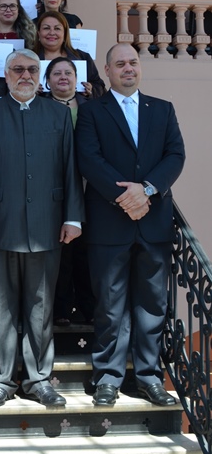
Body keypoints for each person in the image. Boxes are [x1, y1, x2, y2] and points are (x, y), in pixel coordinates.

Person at [0, 49, 84, 407]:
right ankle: (1, 380)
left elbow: (70, 168)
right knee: (0, 307)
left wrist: (73, 217)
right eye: (18, 69)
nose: (26, 75)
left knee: (41, 307)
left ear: (40, 75)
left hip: (48, 224)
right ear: (5, 74)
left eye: (32, 69)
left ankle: (39, 379)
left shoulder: (59, 114)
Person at [75, 43, 185, 407]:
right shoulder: (92, 112)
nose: (127, 68)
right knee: (109, 304)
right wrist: (127, 197)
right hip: (110, 221)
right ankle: (108, 376)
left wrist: (148, 191)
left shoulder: (163, 109)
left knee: (152, 305)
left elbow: (175, 155)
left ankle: (149, 376)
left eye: (133, 62)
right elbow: (89, 159)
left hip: (153, 222)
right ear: (106, 71)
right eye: (119, 64)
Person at [42, 57, 94, 325]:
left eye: (68, 73)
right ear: (47, 80)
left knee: (86, 252)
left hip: (88, 185)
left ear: (77, 78)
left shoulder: (92, 106)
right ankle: (61, 308)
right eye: (56, 73)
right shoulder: (41, 108)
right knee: (61, 251)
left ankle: (88, 307)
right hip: (55, 186)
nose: (63, 77)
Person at [35, 10, 105, 98]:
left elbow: (99, 86)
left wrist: (91, 89)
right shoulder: (29, 59)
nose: (52, 33)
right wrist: (29, 90)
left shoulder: (83, 57)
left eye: (57, 28)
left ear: (65, 34)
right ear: (38, 33)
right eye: (46, 28)